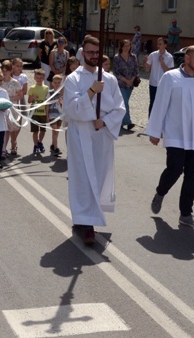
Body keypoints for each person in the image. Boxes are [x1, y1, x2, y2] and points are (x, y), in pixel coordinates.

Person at [63, 35, 125, 245]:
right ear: (82, 53)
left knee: (98, 175)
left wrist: (105, 121)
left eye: (96, 53)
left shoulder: (110, 79)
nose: (93, 56)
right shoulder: (73, 79)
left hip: (101, 135)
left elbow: (120, 107)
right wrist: (90, 92)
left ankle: (86, 217)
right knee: (82, 177)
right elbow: (71, 109)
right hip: (81, 134)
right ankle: (86, 223)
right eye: (89, 52)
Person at [145, 45, 194, 229]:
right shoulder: (170, 77)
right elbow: (160, 104)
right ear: (187, 58)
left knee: (192, 175)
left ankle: (186, 214)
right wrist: (155, 131)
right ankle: (160, 192)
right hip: (176, 133)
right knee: (174, 169)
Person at [113, 39, 140, 131]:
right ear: (121, 46)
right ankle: (128, 122)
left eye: (128, 46)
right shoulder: (117, 58)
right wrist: (125, 80)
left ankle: (119, 121)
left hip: (130, 84)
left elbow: (136, 70)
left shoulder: (133, 57)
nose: (127, 48)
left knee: (124, 103)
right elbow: (116, 72)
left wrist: (131, 81)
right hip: (121, 83)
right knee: (124, 102)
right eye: (125, 46)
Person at [145, 37, 174, 117]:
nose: (158, 46)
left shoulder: (169, 57)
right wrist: (146, 64)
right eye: (157, 44)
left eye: (160, 44)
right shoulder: (153, 55)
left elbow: (168, 72)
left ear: (165, 45)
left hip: (163, 83)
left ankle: (160, 120)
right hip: (153, 83)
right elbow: (147, 70)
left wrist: (162, 62)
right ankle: (150, 120)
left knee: (162, 103)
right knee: (152, 102)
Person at [0, 60, 23, 157]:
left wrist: (10, 99)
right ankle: (3, 149)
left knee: (12, 129)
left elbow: (20, 95)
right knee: (5, 129)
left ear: (11, 71)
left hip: (12, 108)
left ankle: (14, 144)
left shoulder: (15, 82)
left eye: (7, 71)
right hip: (3, 109)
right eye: (3, 70)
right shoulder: (0, 82)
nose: (5, 73)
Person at [28, 68, 49, 155]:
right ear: (34, 78)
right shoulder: (32, 88)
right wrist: (33, 97)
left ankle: (40, 142)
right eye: (37, 77)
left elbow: (48, 102)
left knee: (43, 130)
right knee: (35, 131)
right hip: (34, 113)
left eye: (41, 77)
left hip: (43, 113)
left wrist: (47, 115)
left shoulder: (46, 88)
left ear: (44, 78)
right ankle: (35, 145)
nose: (39, 79)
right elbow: (29, 101)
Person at [11, 58, 28, 155]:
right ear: (12, 65)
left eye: (21, 66)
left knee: (18, 123)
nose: (19, 68)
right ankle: (12, 141)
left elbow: (25, 90)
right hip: (11, 100)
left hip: (20, 100)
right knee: (11, 121)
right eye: (17, 66)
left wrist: (18, 95)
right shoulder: (10, 75)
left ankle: (14, 140)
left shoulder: (23, 77)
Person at [48, 74, 64, 155]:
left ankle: (53, 144)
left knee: (56, 132)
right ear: (52, 83)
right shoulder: (50, 93)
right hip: (52, 114)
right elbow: (47, 104)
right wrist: (46, 115)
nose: (57, 84)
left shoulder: (63, 93)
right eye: (55, 82)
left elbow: (64, 105)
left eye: (59, 82)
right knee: (55, 130)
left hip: (60, 115)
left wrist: (62, 102)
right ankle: (55, 148)